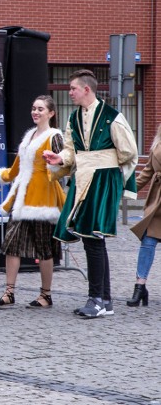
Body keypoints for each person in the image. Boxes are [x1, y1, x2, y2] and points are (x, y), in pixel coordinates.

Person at [45, 69, 138, 318]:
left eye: (73, 88)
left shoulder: (112, 117)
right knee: (92, 240)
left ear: (87, 89)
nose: (71, 93)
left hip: (102, 179)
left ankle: (96, 299)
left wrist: (102, 164)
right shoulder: (73, 117)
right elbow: (69, 149)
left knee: (93, 238)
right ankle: (103, 300)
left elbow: (128, 150)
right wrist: (59, 158)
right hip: (83, 178)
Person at [0, 96, 65, 309]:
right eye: (33, 108)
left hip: (43, 200)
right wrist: (2, 176)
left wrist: (57, 164)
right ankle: (9, 292)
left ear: (51, 113)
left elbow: (64, 164)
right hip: (22, 198)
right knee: (12, 244)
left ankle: (46, 295)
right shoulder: (29, 136)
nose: (36, 112)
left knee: (44, 248)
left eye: (40, 109)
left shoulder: (54, 136)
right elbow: (18, 166)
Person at [127, 122, 161, 307]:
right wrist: (124, 193)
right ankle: (140, 287)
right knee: (148, 241)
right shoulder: (158, 141)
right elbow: (146, 172)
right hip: (157, 202)